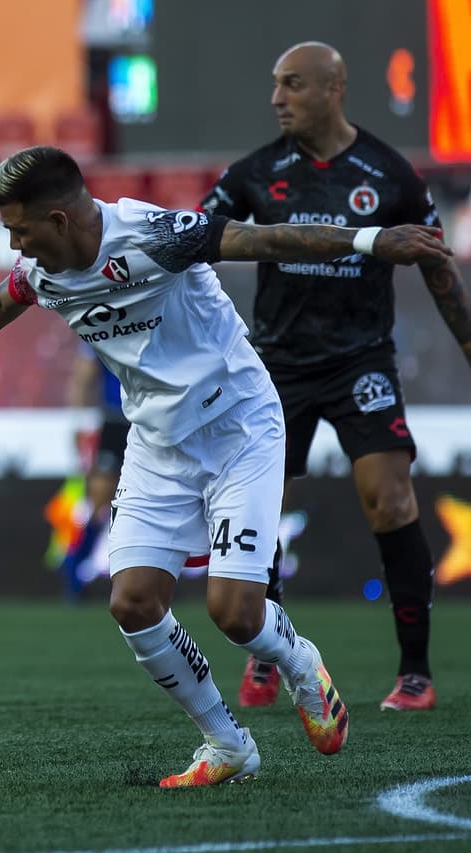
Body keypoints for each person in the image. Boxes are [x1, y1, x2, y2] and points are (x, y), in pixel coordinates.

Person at [0, 145, 450, 786]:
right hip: (158, 445)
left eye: (19, 227)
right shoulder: (42, 271)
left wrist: (374, 240)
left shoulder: (155, 234)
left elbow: (265, 239)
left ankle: (298, 660)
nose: (13, 241)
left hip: (239, 428)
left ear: (61, 220)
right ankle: (225, 742)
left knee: (236, 614)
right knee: (132, 603)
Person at [200, 41, 471, 712]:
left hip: (361, 362)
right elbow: (195, 242)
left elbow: (437, 267)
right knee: (260, 507)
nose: (276, 98)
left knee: (391, 499)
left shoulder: (391, 174)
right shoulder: (254, 174)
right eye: (275, 84)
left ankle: (415, 673)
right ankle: (270, 652)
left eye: (291, 85)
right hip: (277, 367)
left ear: (333, 89)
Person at [58, 344, 130, 597]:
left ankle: (158, 576)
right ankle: (74, 570)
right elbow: (83, 377)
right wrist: (78, 422)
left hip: (150, 422)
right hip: (115, 421)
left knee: (157, 498)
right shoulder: (100, 325)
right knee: (100, 500)